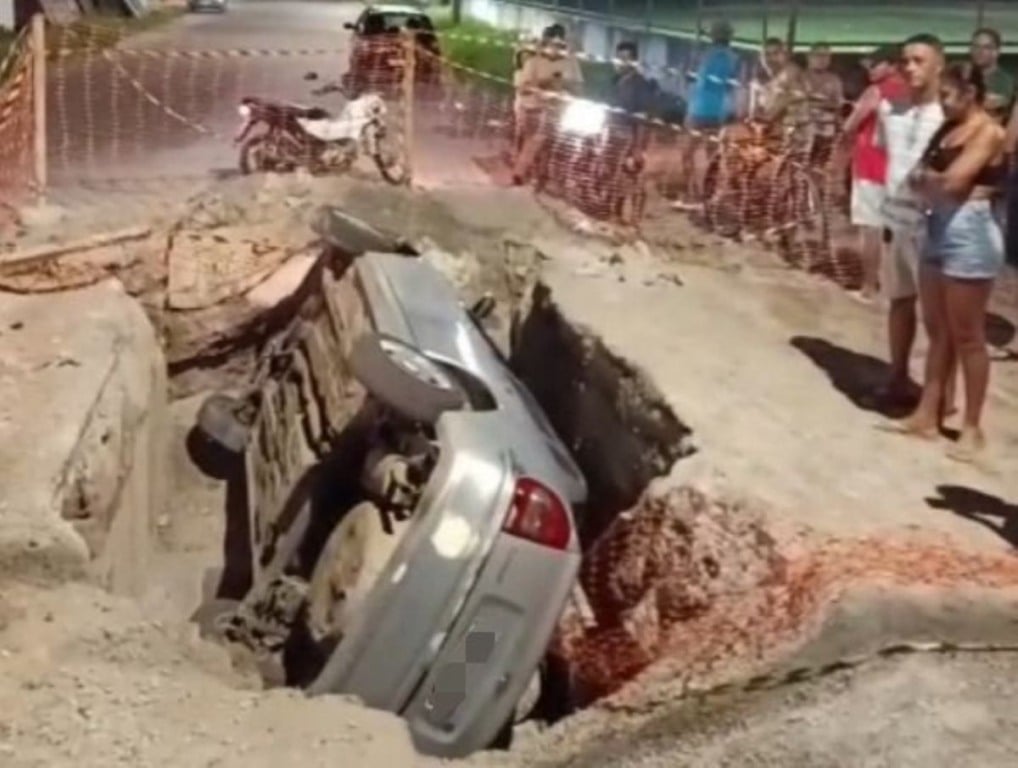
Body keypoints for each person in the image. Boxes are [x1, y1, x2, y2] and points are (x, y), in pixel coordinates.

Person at [889, 63, 1006, 461]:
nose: (942, 103)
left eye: (948, 95)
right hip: (938, 224)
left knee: (968, 336)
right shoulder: (948, 129)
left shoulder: (988, 132)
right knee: (938, 330)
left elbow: (955, 182)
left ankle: (972, 428)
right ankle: (928, 412)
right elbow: (917, 177)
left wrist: (933, 181)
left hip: (970, 232)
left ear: (970, 93)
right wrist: (933, 182)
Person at [871, 33, 947, 410]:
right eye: (905, 61)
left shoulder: (948, 116)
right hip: (896, 221)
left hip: (933, 227)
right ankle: (897, 376)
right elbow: (888, 155)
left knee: (938, 317)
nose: (910, 68)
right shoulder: (890, 109)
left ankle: (939, 395)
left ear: (939, 66)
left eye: (919, 60)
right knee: (899, 301)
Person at [842, 45, 908, 301]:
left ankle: (869, 287)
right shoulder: (913, 92)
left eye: (876, 64)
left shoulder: (876, 91)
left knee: (871, 230)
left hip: (871, 168)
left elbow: (850, 124)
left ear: (892, 65)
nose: (870, 70)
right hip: (899, 170)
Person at [676, 20, 741, 207]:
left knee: (687, 153)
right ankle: (710, 194)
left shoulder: (702, 55)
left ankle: (692, 193)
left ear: (713, 36)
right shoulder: (734, 58)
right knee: (712, 155)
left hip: (698, 109)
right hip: (719, 111)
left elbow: (689, 76)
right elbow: (732, 86)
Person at [511, 23, 584, 186]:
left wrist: (564, 84)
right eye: (552, 44)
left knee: (547, 142)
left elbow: (579, 89)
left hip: (559, 111)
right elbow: (522, 88)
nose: (556, 49)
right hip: (534, 108)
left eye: (560, 45)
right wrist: (543, 83)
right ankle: (523, 172)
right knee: (535, 140)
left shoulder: (570, 63)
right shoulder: (534, 62)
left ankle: (537, 174)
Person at [803, 42, 844, 170]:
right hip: (803, 131)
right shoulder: (799, 77)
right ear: (809, 57)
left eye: (826, 56)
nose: (823, 59)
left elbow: (838, 104)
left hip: (826, 132)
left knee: (821, 168)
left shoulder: (834, 80)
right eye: (819, 55)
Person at [969, 28, 1014, 123]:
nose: (980, 51)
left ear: (997, 51)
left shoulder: (1006, 82)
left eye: (986, 47)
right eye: (976, 46)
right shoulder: (964, 78)